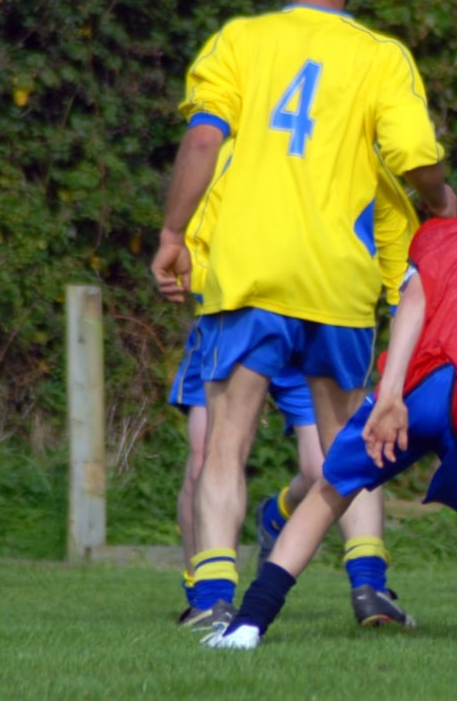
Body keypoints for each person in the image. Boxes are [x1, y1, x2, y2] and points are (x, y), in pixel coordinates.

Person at [150, 0, 457, 628]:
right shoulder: (382, 57)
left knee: (226, 440)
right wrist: (444, 205)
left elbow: (203, 138)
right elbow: (415, 160)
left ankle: (212, 599)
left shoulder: (239, 41)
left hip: (250, 269)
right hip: (336, 276)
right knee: (351, 436)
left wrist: (172, 232)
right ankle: (369, 584)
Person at [203, 125, 457, 650]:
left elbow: (412, 307)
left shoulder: (438, 238)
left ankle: (249, 623)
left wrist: (390, 395)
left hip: (419, 392)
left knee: (331, 490)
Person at [163, 145, 417, 629]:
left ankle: (364, 580)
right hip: (246, 301)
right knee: (206, 452)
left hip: (316, 301)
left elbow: (382, 212)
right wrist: (191, 260)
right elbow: (210, 194)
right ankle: (207, 592)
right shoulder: (253, 132)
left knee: (330, 459)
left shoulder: (342, 143)